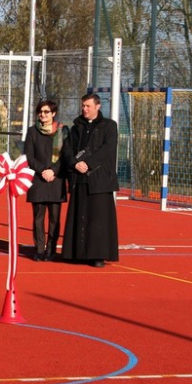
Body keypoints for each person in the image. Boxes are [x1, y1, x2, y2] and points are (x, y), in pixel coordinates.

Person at [62, 92, 119, 267]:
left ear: (97, 106)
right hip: (79, 178)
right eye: (83, 106)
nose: (84, 109)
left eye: (88, 106)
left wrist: (88, 163)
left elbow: (107, 149)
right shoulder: (76, 127)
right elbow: (67, 149)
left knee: (98, 221)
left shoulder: (109, 126)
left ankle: (98, 255)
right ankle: (76, 252)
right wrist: (74, 163)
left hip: (100, 180)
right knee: (78, 217)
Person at [24, 100, 68, 261]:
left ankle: (51, 249)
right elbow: (29, 156)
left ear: (53, 113)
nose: (43, 114)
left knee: (55, 218)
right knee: (38, 217)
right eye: (41, 112)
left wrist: (53, 171)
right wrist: (43, 170)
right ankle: (39, 249)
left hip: (56, 180)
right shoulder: (32, 131)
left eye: (47, 112)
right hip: (38, 179)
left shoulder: (63, 131)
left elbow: (65, 156)